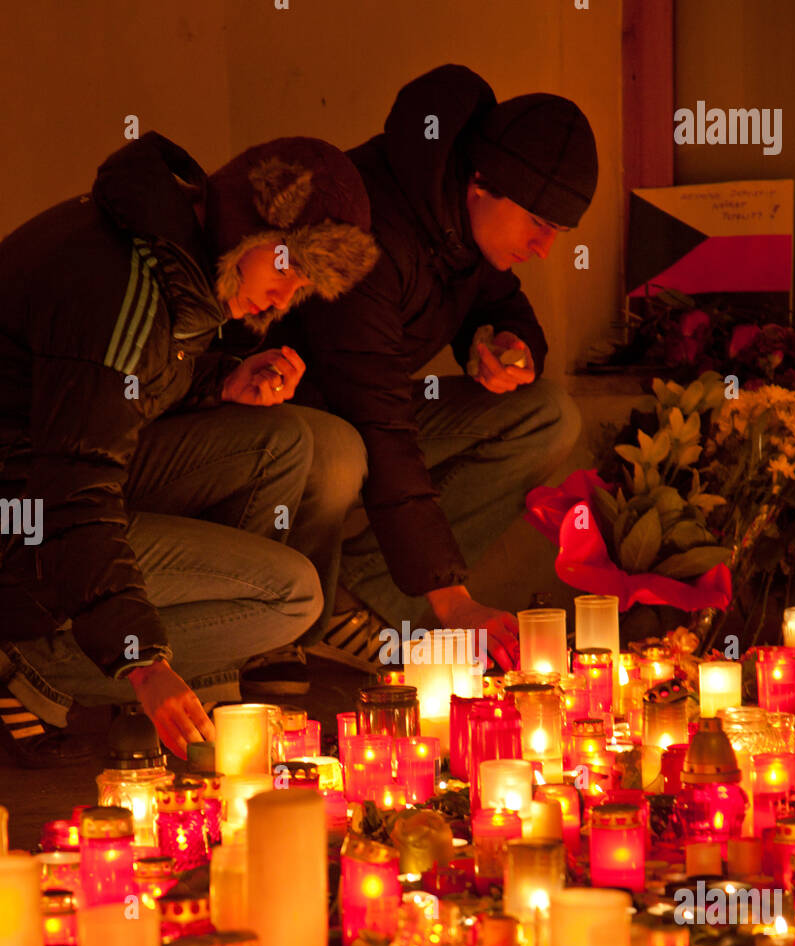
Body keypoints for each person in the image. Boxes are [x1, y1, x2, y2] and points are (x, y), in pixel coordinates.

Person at [0, 131, 378, 766]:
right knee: (291, 595)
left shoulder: (162, 254)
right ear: (250, 222)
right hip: (25, 518)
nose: (285, 299)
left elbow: (107, 399)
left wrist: (220, 381)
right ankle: (34, 666)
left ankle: (202, 683)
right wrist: (140, 661)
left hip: (41, 476)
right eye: (289, 268)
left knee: (279, 442)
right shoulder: (119, 289)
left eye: (304, 286)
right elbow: (74, 484)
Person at [252, 64, 598, 672]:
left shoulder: (456, 215)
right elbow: (377, 419)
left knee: (545, 414)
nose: (545, 248)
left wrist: (512, 344)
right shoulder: (368, 232)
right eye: (540, 224)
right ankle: (296, 627)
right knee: (341, 448)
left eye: (559, 232)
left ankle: (366, 593)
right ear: (484, 184)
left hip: (359, 411)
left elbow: (495, 294)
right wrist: (452, 597)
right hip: (277, 421)